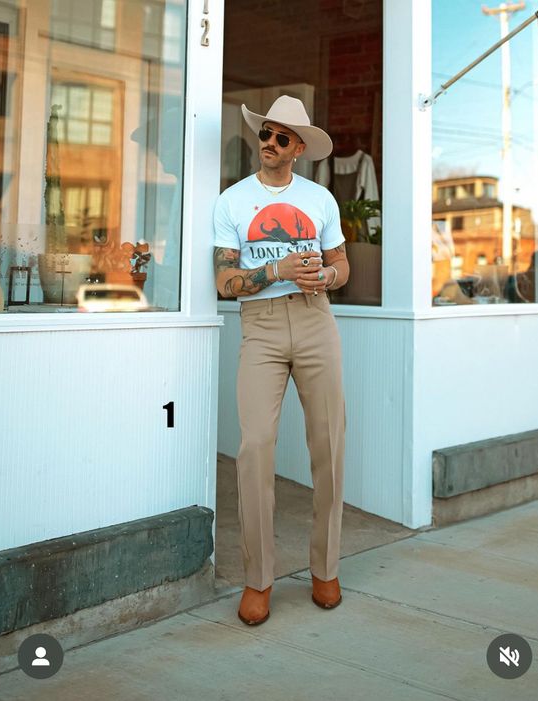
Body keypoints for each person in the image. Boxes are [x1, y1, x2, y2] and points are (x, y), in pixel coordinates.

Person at [213, 95, 349, 625]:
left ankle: (326, 567)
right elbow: (225, 282)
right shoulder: (232, 201)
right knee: (253, 448)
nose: (269, 143)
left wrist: (325, 276)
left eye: (281, 138)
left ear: (297, 148)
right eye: (265, 134)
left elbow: (341, 266)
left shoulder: (319, 200)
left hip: (316, 320)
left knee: (330, 446)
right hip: (262, 327)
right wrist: (279, 270)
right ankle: (258, 579)